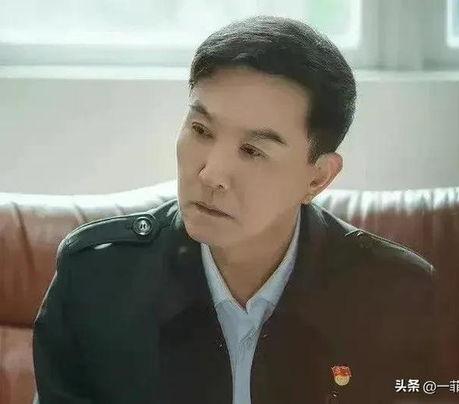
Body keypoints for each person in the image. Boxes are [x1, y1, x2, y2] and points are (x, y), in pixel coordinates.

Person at [32, 15, 436, 404]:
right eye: (201, 130)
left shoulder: (393, 296)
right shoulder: (97, 279)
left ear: (317, 178)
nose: (211, 174)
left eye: (252, 150)